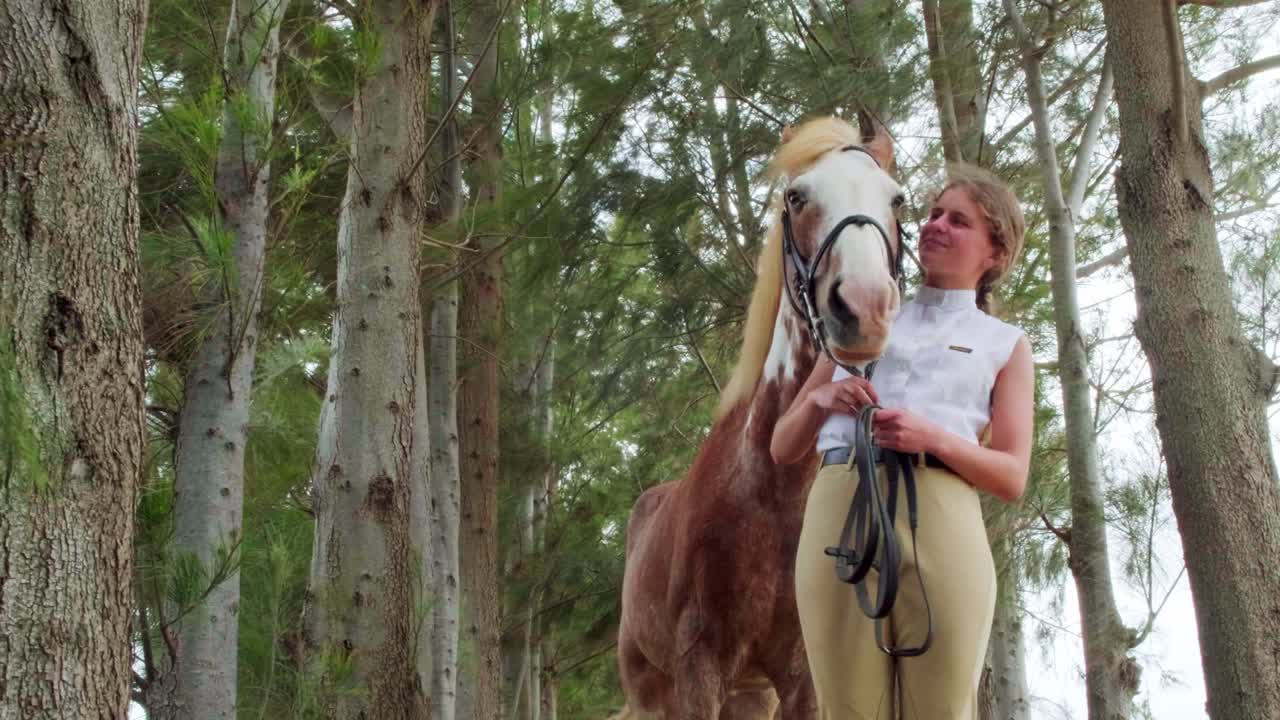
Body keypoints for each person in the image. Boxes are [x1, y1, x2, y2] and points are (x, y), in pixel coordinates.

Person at [771, 163, 1034, 719]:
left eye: (958, 220)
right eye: (934, 213)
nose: (935, 225)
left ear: (995, 252)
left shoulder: (1004, 344)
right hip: (842, 504)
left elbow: (1011, 475)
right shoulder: (858, 318)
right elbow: (782, 446)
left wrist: (929, 435)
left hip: (944, 515)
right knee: (846, 711)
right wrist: (820, 401)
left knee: (942, 710)